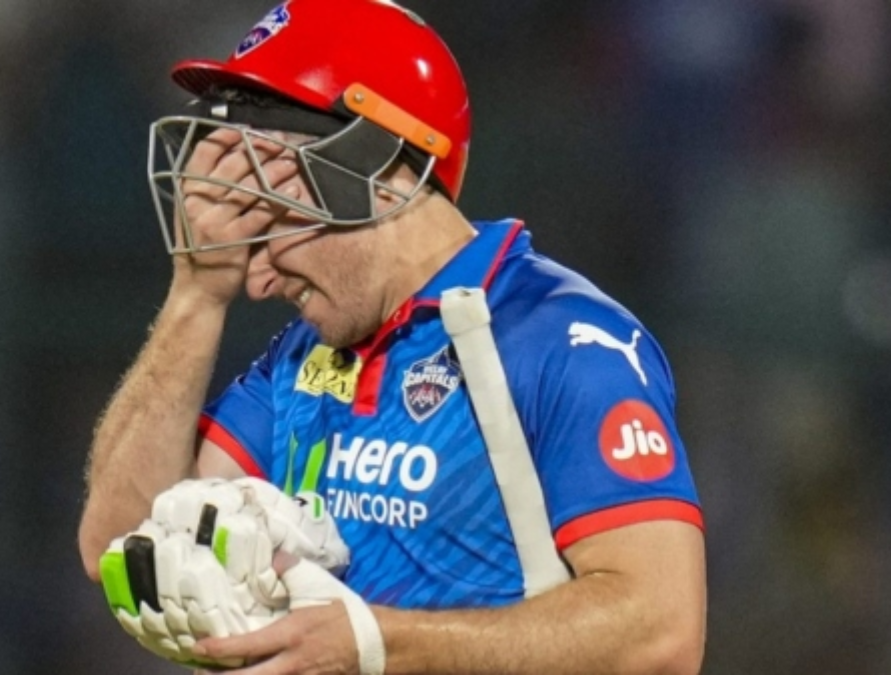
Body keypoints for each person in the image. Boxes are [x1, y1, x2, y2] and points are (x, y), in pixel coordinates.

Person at [78, 0, 707, 672]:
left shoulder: (565, 341)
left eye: (273, 215)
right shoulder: (301, 357)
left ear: (378, 173)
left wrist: (375, 644)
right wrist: (196, 296)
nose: (256, 277)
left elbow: (661, 632)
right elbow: (122, 543)